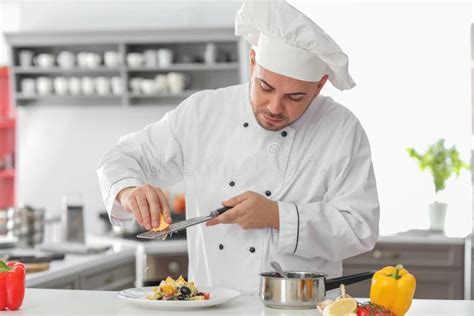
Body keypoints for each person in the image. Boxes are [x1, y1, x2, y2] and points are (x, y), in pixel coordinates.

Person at [97, 0, 379, 294]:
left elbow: (360, 227)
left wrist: (277, 216)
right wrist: (128, 191)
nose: (274, 107)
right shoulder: (203, 112)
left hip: (303, 308)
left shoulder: (341, 130)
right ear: (253, 60)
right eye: (265, 87)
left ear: (320, 85)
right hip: (213, 304)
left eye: (294, 97)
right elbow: (120, 157)